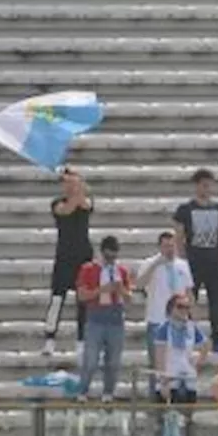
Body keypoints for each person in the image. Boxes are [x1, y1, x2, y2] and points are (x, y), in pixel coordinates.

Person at [172, 168, 218, 354]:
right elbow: (179, 236)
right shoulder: (185, 209)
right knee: (189, 299)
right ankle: (188, 333)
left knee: (216, 301)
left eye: (209, 185)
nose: (207, 189)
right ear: (196, 186)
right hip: (194, 261)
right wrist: (182, 259)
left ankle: (217, 337)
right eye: (203, 185)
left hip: (214, 261)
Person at [151, 294, 210, 436]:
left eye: (186, 307)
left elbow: (206, 345)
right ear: (171, 309)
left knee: (189, 422)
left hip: (188, 379)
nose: (184, 310)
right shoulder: (164, 329)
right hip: (170, 379)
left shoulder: (192, 328)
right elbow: (159, 355)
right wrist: (163, 381)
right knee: (163, 421)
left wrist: (199, 360)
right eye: (180, 307)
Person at [74, 235, 132, 402]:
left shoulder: (121, 271)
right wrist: (101, 290)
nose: (111, 260)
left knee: (113, 361)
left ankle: (108, 392)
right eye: (108, 256)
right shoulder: (88, 269)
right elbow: (82, 296)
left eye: (114, 256)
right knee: (90, 360)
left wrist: (122, 291)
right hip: (95, 318)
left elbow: (129, 299)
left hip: (116, 319)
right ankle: (83, 391)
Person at [43, 167, 93, 357]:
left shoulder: (87, 200)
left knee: (83, 301)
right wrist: (74, 187)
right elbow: (67, 209)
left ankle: (81, 341)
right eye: (67, 183)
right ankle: (49, 338)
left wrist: (78, 184)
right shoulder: (57, 203)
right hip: (64, 256)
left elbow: (84, 204)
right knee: (57, 299)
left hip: (83, 256)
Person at [135, 231, 194, 326]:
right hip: (157, 319)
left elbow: (189, 291)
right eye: (166, 246)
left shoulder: (183, 265)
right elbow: (139, 285)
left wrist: (190, 314)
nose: (170, 249)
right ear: (160, 247)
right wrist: (155, 265)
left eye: (172, 246)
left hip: (179, 319)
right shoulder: (149, 263)